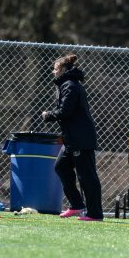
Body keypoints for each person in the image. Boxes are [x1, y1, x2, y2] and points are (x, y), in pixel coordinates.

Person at [42, 53, 103, 221]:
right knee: (61, 167)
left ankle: (95, 213)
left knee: (87, 176)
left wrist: (48, 115)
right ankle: (76, 204)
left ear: (62, 69)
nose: (53, 72)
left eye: (55, 69)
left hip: (80, 139)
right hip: (71, 139)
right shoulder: (65, 85)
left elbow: (65, 111)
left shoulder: (70, 85)